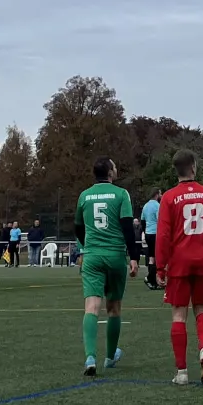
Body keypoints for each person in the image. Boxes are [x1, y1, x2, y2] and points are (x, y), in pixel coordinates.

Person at [157, 149, 203, 385]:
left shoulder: (168, 197)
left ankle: (182, 372)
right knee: (202, 309)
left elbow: (163, 235)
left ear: (177, 170)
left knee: (178, 314)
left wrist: (160, 267)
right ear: (193, 166)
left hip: (179, 262)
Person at [75, 156, 141, 377]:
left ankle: (90, 357)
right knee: (114, 308)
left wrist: (87, 247)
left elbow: (78, 228)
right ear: (110, 172)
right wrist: (134, 257)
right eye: (115, 165)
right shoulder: (121, 194)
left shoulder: (84, 195)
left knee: (91, 307)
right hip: (114, 256)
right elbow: (127, 228)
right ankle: (110, 357)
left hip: (92, 256)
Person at [141, 192, 163, 289]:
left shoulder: (146, 205)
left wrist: (145, 231)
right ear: (157, 195)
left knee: (151, 257)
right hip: (155, 233)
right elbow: (160, 220)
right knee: (158, 257)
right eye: (160, 193)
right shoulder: (157, 205)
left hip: (148, 233)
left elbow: (142, 220)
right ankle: (150, 278)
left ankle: (153, 282)